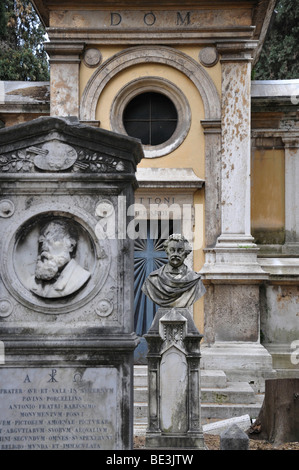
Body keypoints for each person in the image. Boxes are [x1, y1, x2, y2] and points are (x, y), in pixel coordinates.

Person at [30, 220, 90, 298]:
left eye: (53, 239)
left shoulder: (81, 277)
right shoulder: (31, 282)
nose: (44, 247)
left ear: (71, 246)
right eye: (42, 241)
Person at [142, 234, 205, 308]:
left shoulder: (195, 281)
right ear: (166, 251)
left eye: (180, 251)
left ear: (186, 253)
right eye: (172, 250)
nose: (175, 254)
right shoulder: (153, 280)